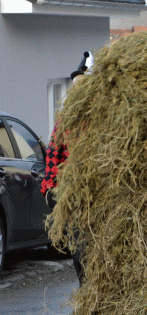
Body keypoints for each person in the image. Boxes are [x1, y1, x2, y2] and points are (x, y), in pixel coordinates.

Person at [41, 51, 94, 286]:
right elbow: (53, 154)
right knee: (81, 253)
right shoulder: (67, 120)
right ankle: (89, 296)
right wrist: (51, 186)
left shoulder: (108, 120)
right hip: (77, 197)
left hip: (106, 196)